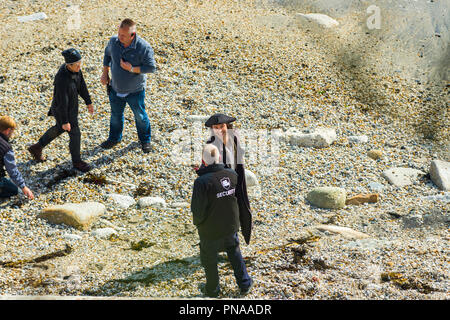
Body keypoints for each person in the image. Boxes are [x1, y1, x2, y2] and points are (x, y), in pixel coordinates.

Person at [191, 144, 253, 298]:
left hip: (210, 230)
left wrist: (198, 223)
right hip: (230, 225)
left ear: (203, 160)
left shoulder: (201, 182)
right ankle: (244, 283)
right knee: (234, 253)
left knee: (209, 259)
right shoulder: (231, 174)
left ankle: (212, 289)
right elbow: (233, 196)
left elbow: (197, 209)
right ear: (219, 157)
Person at [27, 48, 94, 172]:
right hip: (62, 110)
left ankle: (37, 147)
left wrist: (88, 102)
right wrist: (65, 120)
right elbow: (62, 102)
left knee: (59, 129)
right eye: (77, 65)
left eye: (80, 64)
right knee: (75, 133)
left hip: (71, 108)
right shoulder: (62, 79)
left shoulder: (76, 69)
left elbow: (82, 86)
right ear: (69, 65)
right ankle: (77, 161)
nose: (80, 67)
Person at [100, 18, 156, 153]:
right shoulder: (114, 41)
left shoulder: (143, 47)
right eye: (119, 33)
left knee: (140, 117)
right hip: (115, 88)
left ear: (133, 35)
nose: (119, 37)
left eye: (123, 35)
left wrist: (132, 69)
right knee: (115, 115)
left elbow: (151, 68)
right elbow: (107, 55)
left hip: (135, 91)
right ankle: (114, 138)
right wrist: (105, 73)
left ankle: (145, 141)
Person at [203, 113, 252, 245]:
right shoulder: (211, 145)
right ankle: (231, 246)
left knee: (241, 210)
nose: (219, 130)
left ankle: (233, 243)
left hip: (238, 181)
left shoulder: (235, 137)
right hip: (223, 185)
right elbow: (207, 170)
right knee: (227, 215)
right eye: (216, 127)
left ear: (227, 126)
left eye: (222, 126)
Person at [0, 116, 34, 200]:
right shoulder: (6, 148)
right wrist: (23, 187)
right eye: (12, 131)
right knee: (14, 190)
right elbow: (12, 170)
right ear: (8, 130)